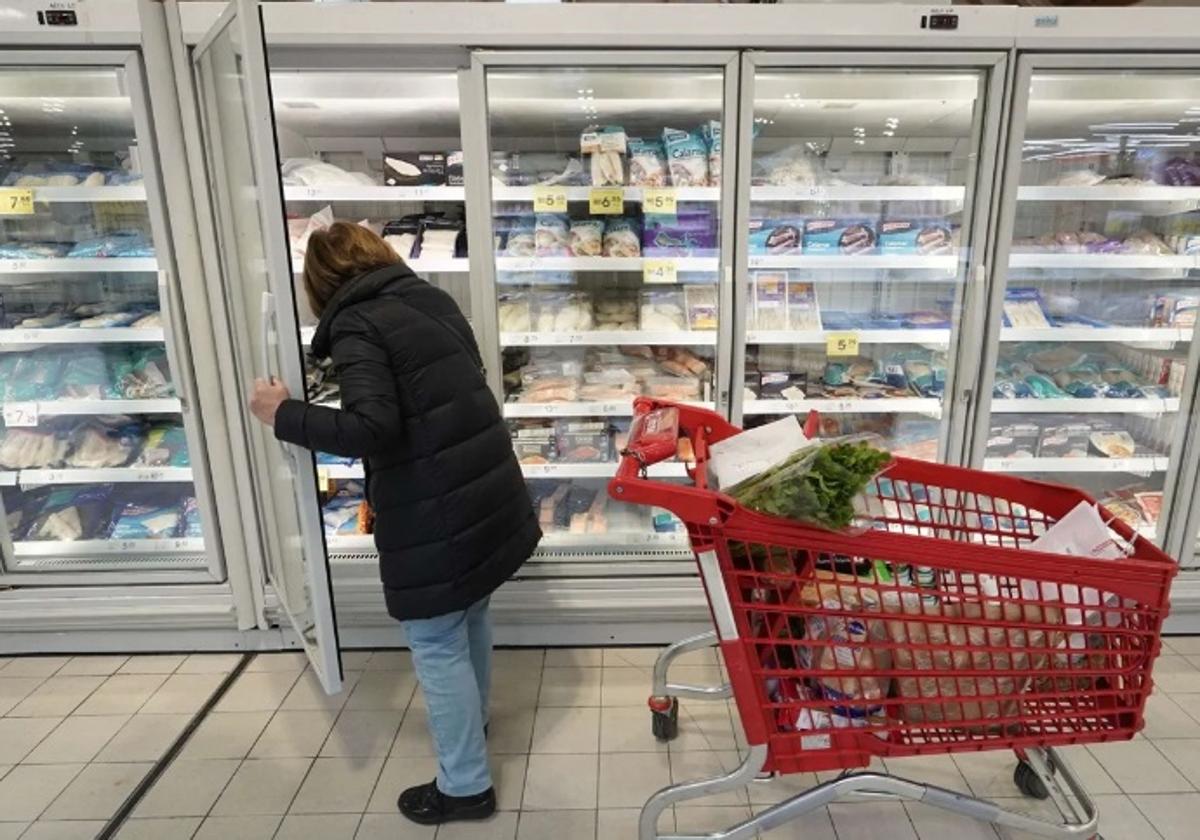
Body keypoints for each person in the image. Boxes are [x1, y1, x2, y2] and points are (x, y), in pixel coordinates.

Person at [248, 222, 541, 826]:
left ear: (319, 284)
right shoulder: (429, 298)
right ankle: (473, 722)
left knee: (436, 642)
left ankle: (465, 787)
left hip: (434, 506)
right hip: (483, 489)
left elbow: (372, 428)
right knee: (473, 614)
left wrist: (284, 415)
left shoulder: (358, 325)